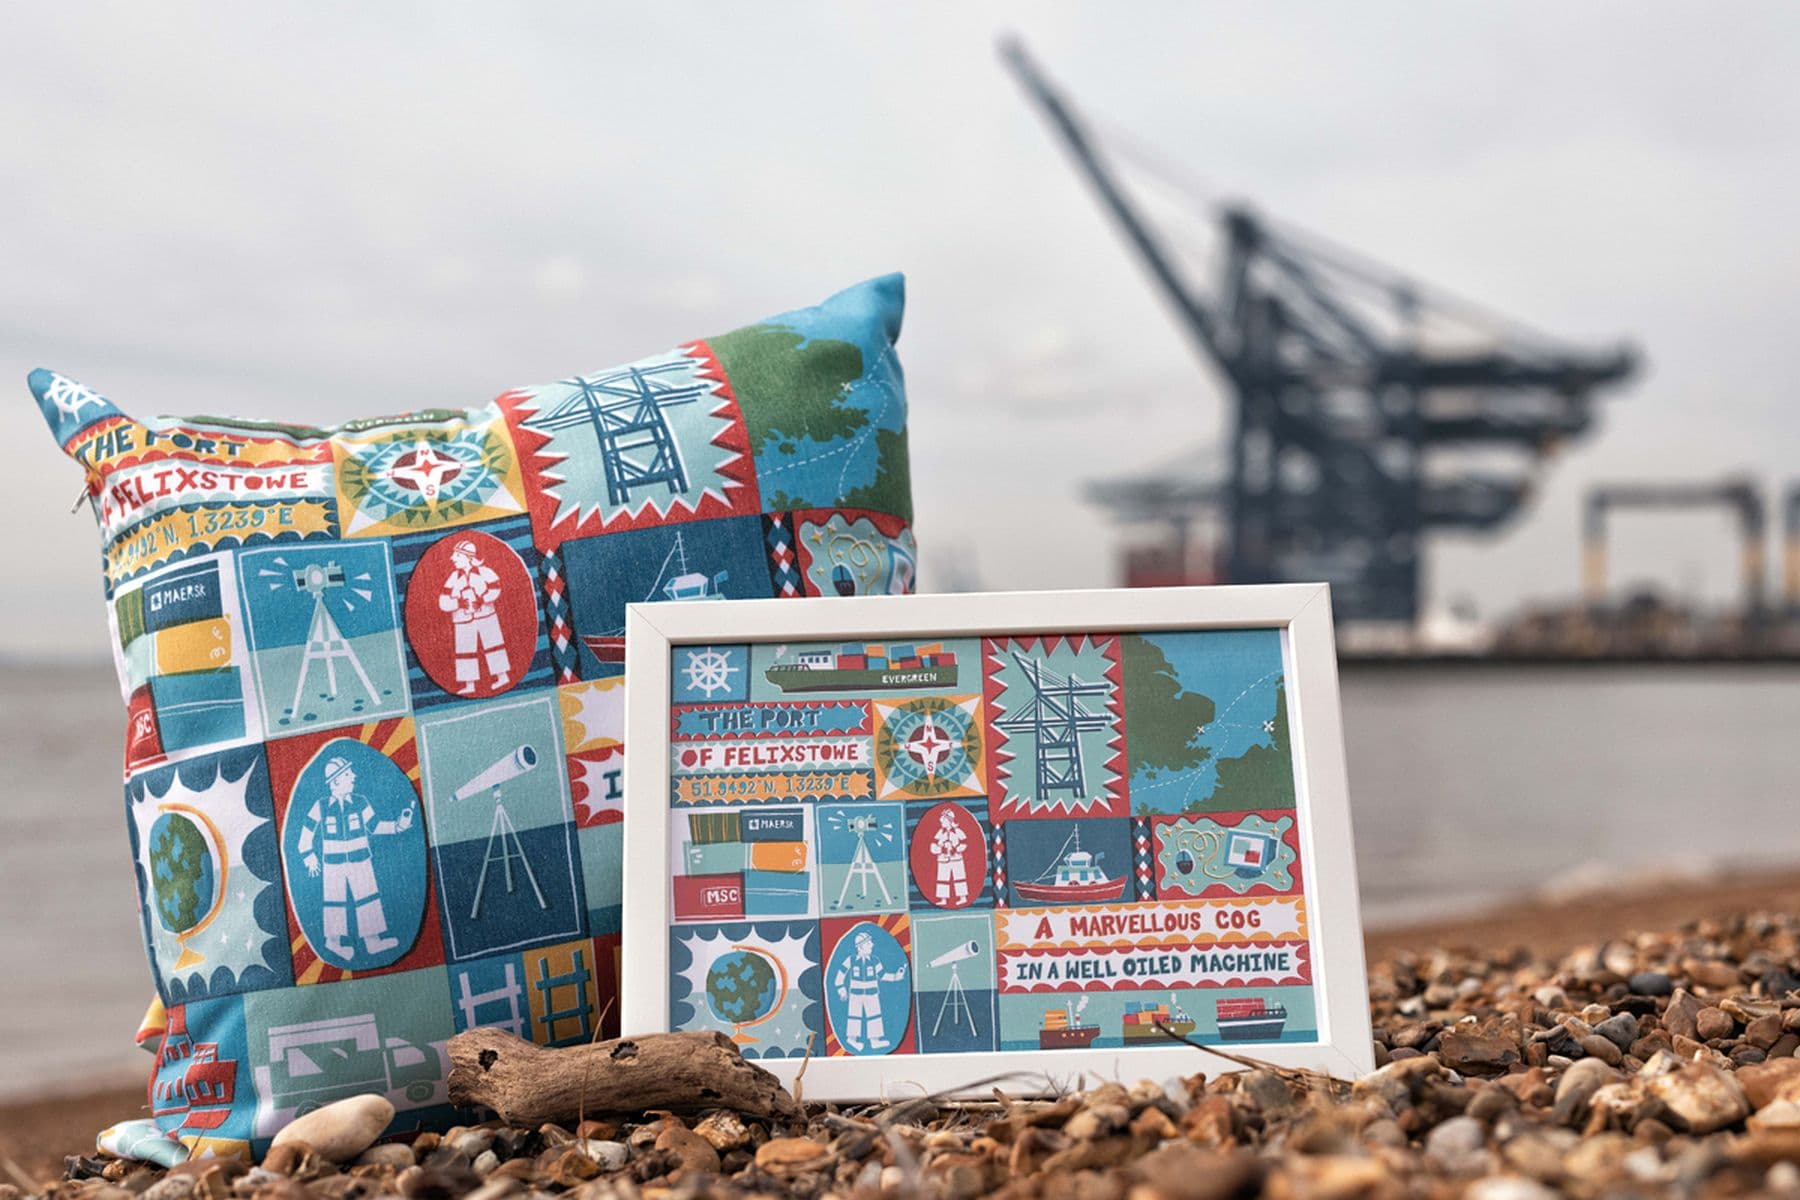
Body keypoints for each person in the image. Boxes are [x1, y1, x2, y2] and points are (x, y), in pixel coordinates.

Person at [295, 756, 414, 961]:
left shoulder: (360, 802)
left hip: (361, 860)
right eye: (348, 774)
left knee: (368, 897)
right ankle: (333, 943)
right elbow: (304, 836)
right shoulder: (320, 806)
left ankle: (373, 941)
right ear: (335, 781)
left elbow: (375, 826)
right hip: (333, 864)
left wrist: (399, 826)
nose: (354, 777)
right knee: (335, 901)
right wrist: (309, 856)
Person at [439, 539, 510, 694]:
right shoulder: (454, 577)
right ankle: (469, 684)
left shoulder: (484, 572)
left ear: (468, 557)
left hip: (486, 616)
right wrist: (458, 603)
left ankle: (502, 676)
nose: (452, 558)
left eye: (457, 555)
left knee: (493, 644)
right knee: (465, 649)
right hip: (462, 619)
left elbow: (496, 589)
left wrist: (482, 599)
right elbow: (443, 601)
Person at [833, 928, 908, 1051]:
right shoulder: (850, 960)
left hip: (872, 994)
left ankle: (875, 1041)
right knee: (854, 1017)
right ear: (860, 947)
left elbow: (883, 975)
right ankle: (851, 1040)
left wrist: (897, 976)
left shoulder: (875, 960)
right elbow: (839, 978)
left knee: (875, 1016)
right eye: (868, 943)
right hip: (855, 995)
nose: (872, 945)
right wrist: (842, 991)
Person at [930, 809, 970, 906]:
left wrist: (954, 848)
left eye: (943, 820)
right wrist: (942, 848)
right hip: (943, 859)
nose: (941, 822)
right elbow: (933, 845)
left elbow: (965, 843)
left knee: (959, 877)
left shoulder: (957, 832)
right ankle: (943, 899)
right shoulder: (940, 832)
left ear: (949, 821)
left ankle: (962, 897)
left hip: (956, 859)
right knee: (942, 878)